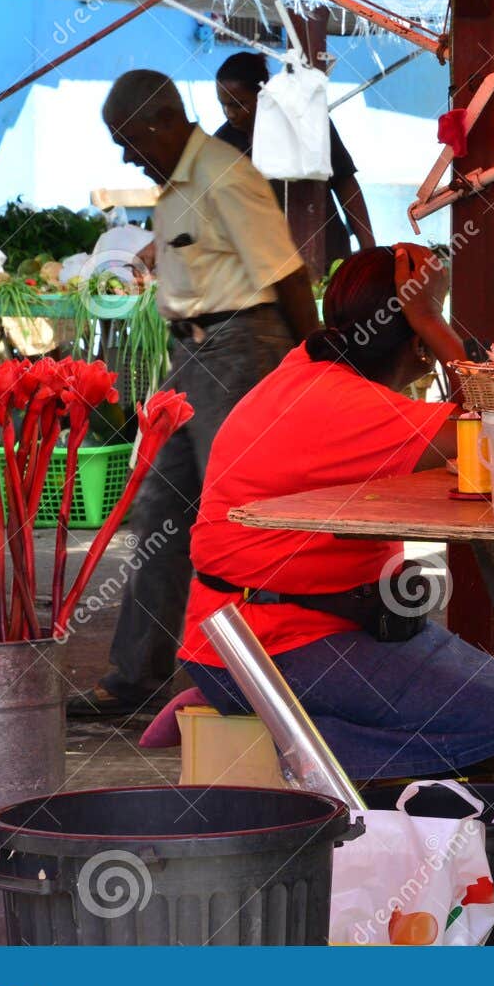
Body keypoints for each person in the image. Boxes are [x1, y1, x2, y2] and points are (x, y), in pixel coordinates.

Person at [179, 243, 494, 779]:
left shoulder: (306, 368)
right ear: (417, 348)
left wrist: (423, 324)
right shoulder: (349, 405)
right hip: (273, 646)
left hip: (282, 630)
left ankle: (458, 842)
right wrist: (433, 323)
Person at [68, 69, 318, 719]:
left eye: (128, 139)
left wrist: (322, 363)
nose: (126, 154)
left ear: (160, 121)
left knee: (235, 518)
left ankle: (264, 674)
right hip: (195, 353)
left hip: (240, 348)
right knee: (160, 512)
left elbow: (289, 277)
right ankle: (136, 676)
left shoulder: (224, 175)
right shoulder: (178, 185)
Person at [212, 51, 375, 271]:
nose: (229, 114)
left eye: (238, 104)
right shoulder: (223, 145)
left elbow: (345, 183)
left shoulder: (307, 122)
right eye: (224, 105)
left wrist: (369, 249)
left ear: (263, 93)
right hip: (269, 269)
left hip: (329, 254)